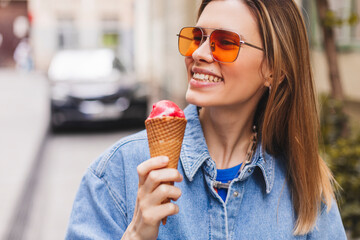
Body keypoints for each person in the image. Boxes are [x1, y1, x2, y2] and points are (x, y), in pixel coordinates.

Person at [66, 0, 346, 239]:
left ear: (274, 70)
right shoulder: (119, 172)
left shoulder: (305, 186)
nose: (198, 54)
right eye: (197, 37)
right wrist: (137, 234)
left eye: (224, 43)